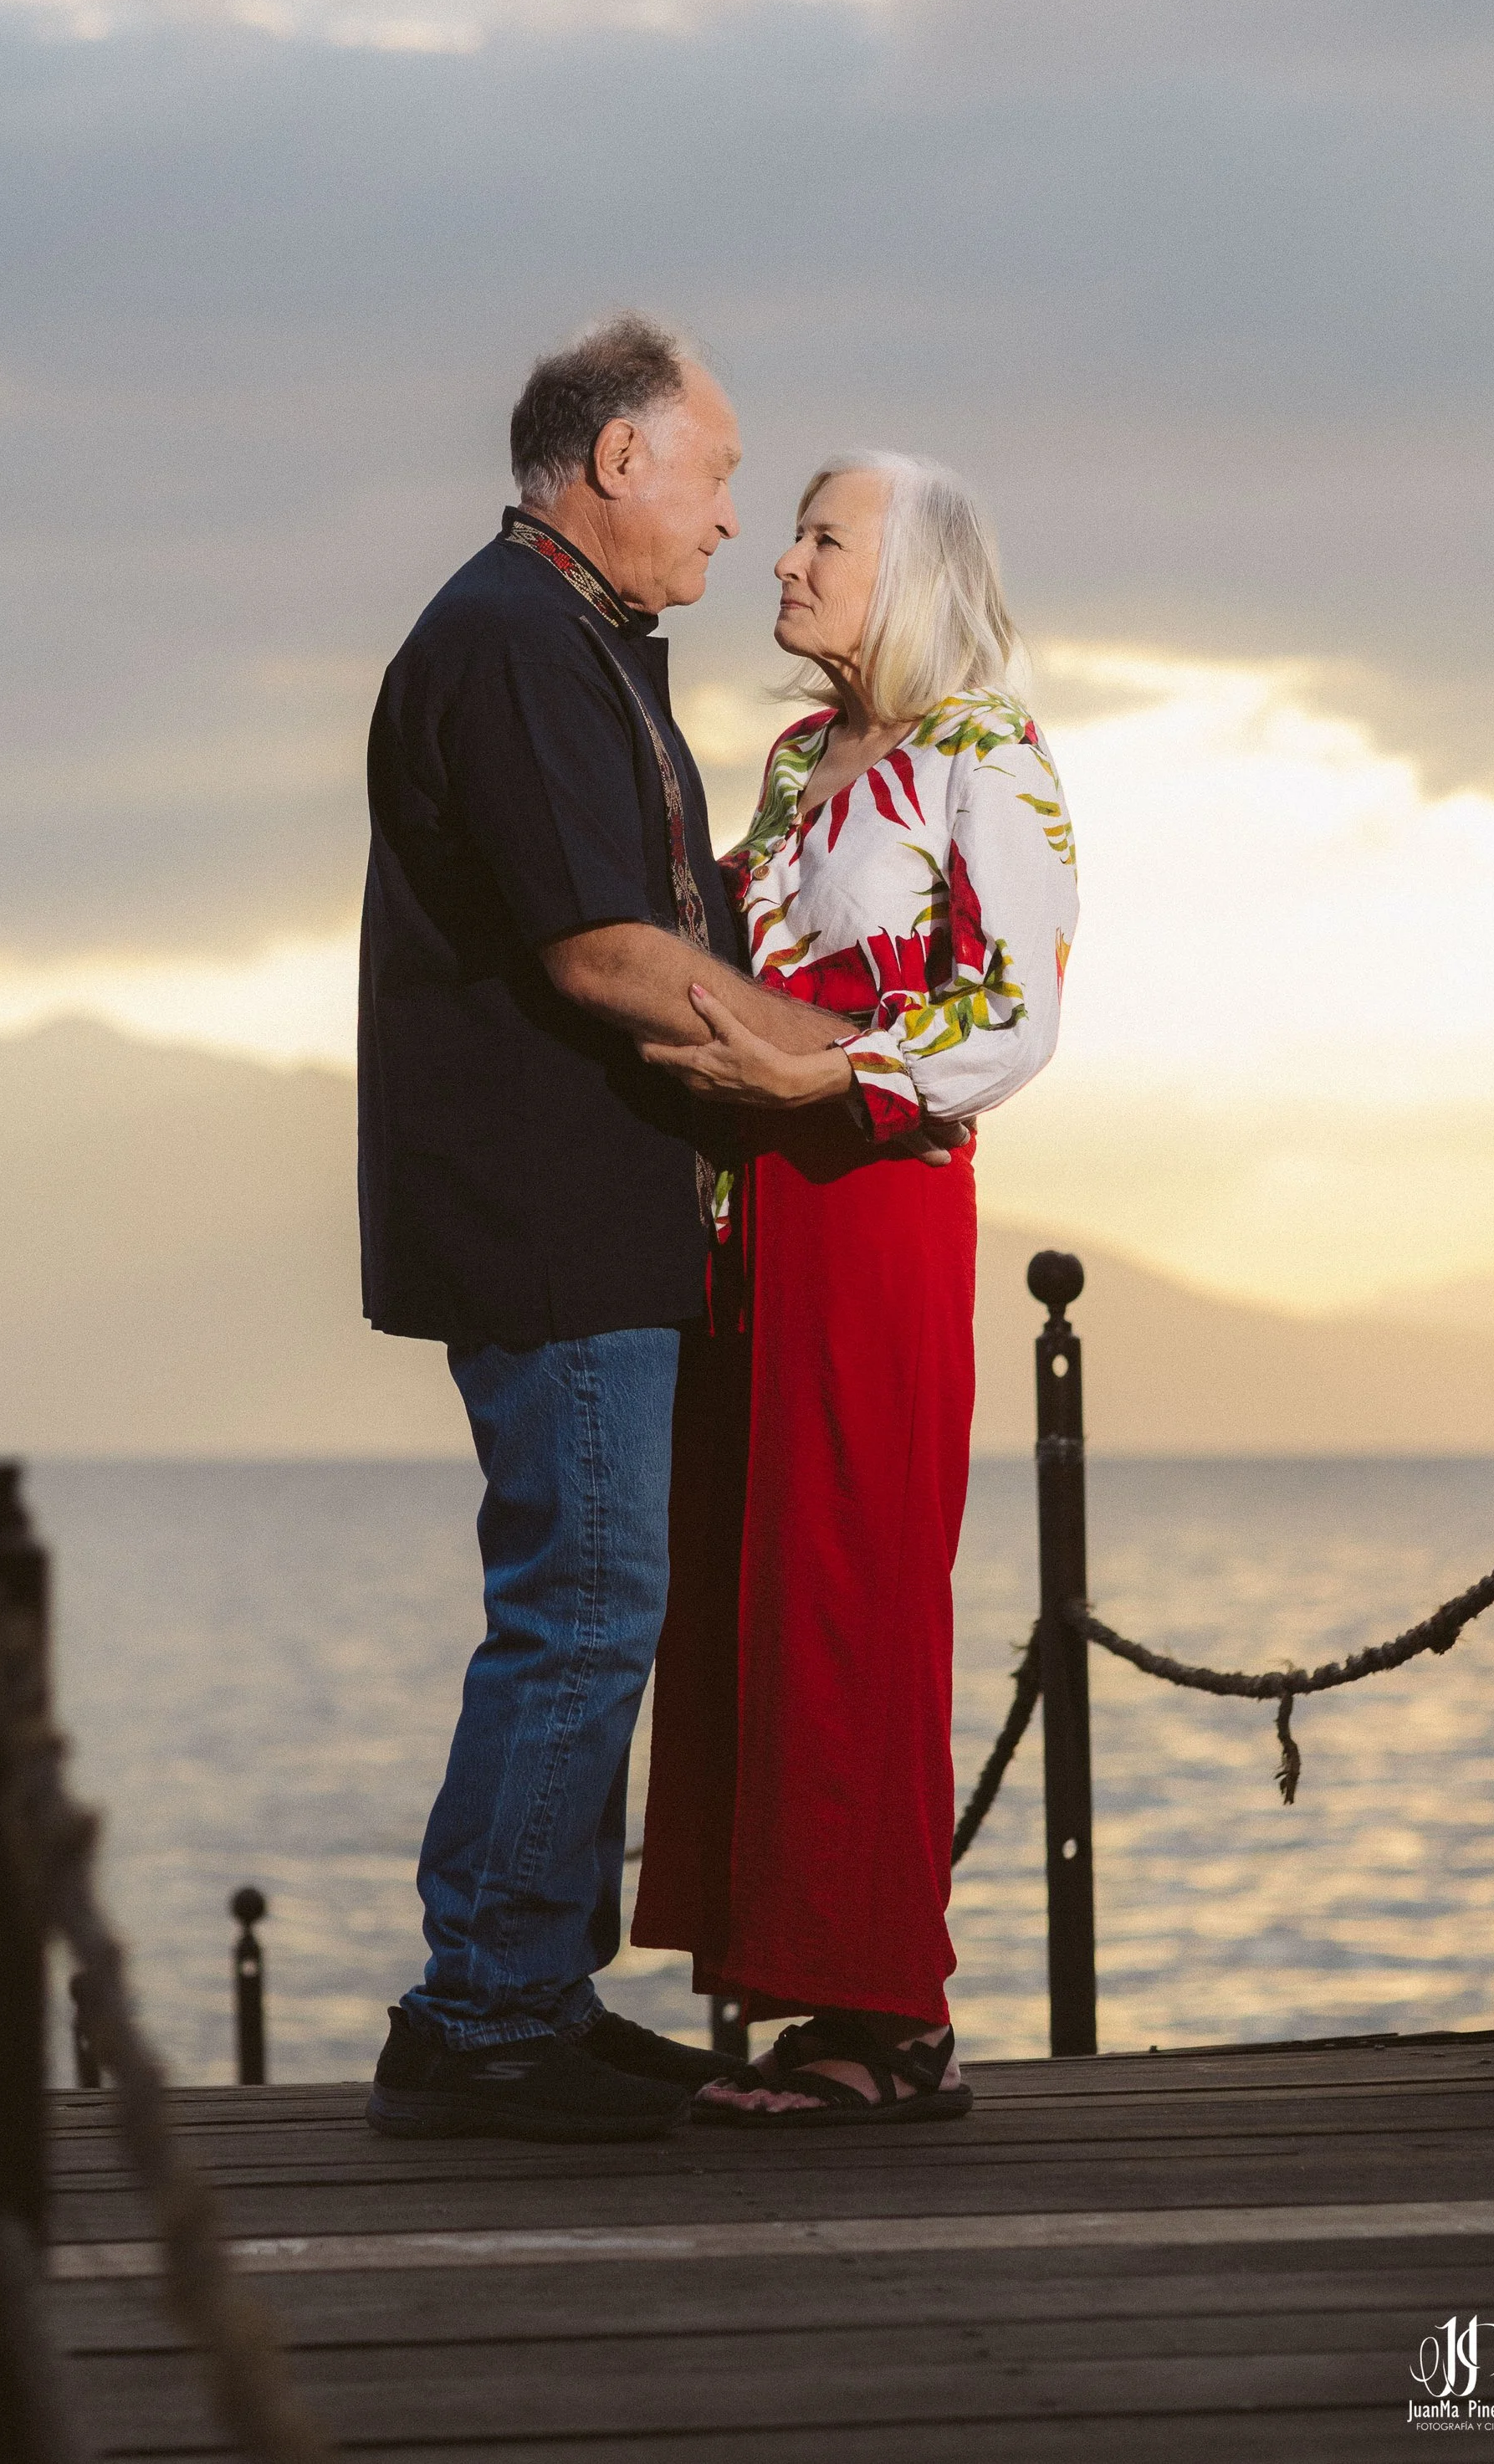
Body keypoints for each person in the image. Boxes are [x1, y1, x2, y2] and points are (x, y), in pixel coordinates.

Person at [357, 317, 887, 2143]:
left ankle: (529, 1991)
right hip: (549, 1211)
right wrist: (855, 1067)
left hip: (579, 1208)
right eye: (718, 473)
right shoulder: (514, 641)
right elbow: (604, 951)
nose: (735, 517)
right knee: (582, 1608)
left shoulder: (562, 635)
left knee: (586, 1602)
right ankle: (483, 2016)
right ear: (615, 460)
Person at [630, 448, 1077, 2125]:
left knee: (854, 1584)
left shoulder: (985, 752)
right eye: (795, 531)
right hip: (748, 1220)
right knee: (746, 1583)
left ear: (911, 576)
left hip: (876, 1206)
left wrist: (826, 1078)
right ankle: (793, 1987)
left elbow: (1015, 1011)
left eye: (825, 537)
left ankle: (890, 2020)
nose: (784, 559)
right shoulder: (793, 760)